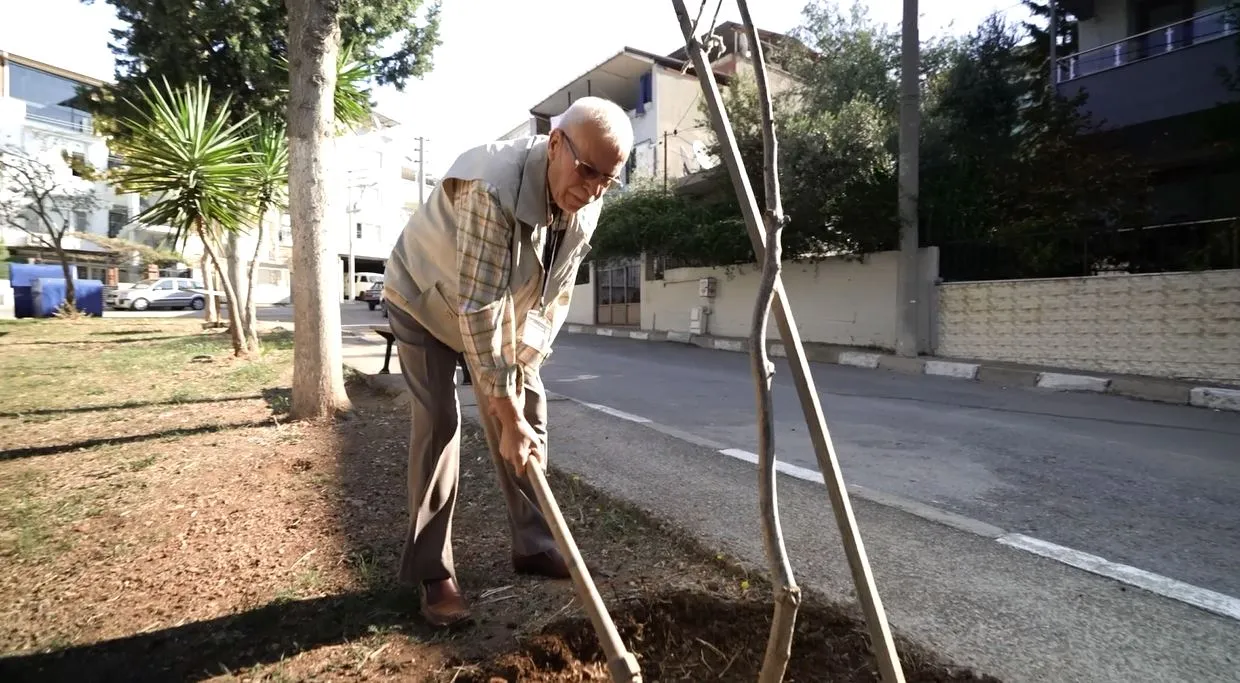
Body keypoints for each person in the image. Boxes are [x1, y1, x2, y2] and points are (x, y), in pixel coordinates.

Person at [383, 96, 633, 627]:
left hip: (491, 311)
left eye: (607, 180)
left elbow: (551, 298)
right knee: (441, 424)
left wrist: (521, 381)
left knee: (530, 413)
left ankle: (533, 545)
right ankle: (433, 573)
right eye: (588, 172)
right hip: (425, 300)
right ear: (556, 144)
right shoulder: (489, 186)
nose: (593, 189)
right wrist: (503, 409)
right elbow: (480, 304)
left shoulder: (587, 199)